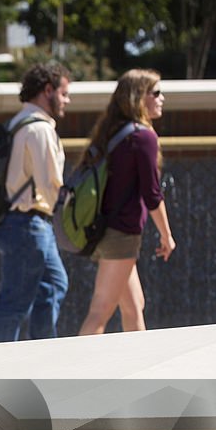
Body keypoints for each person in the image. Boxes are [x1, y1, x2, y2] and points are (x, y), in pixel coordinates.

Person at [78, 69, 175, 335]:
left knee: (134, 307)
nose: (162, 98)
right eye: (156, 93)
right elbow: (152, 193)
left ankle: (143, 372)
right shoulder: (143, 136)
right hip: (121, 234)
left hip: (104, 230)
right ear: (138, 97)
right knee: (100, 311)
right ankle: (75, 374)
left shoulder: (113, 132)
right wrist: (167, 236)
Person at [0, 63, 71, 342]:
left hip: (19, 221)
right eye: (64, 93)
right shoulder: (39, 128)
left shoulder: (18, 122)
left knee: (53, 285)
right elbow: (51, 181)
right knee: (15, 301)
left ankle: (41, 352)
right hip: (28, 222)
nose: (67, 101)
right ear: (48, 90)